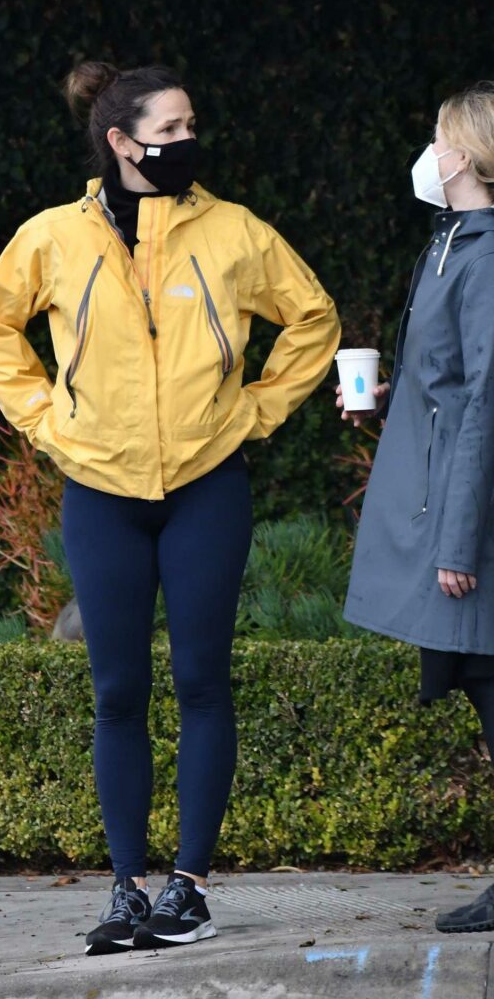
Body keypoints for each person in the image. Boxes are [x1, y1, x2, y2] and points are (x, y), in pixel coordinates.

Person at [0, 61, 340, 956]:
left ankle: (191, 887)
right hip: (100, 488)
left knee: (203, 682)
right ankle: (127, 890)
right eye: (169, 131)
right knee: (117, 691)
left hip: (207, 487)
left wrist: (253, 409)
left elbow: (314, 318)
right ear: (121, 142)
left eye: (190, 127)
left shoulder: (236, 232)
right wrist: (48, 422)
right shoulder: (53, 236)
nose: (186, 143)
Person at [338, 81, 494, 934]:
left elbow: (486, 408)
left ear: (463, 157)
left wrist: (460, 542)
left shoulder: (484, 255)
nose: (427, 155)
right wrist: (393, 398)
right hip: (448, 507)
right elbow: (451, 385)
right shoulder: (451, 243)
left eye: (438, 140)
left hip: (469, 523)